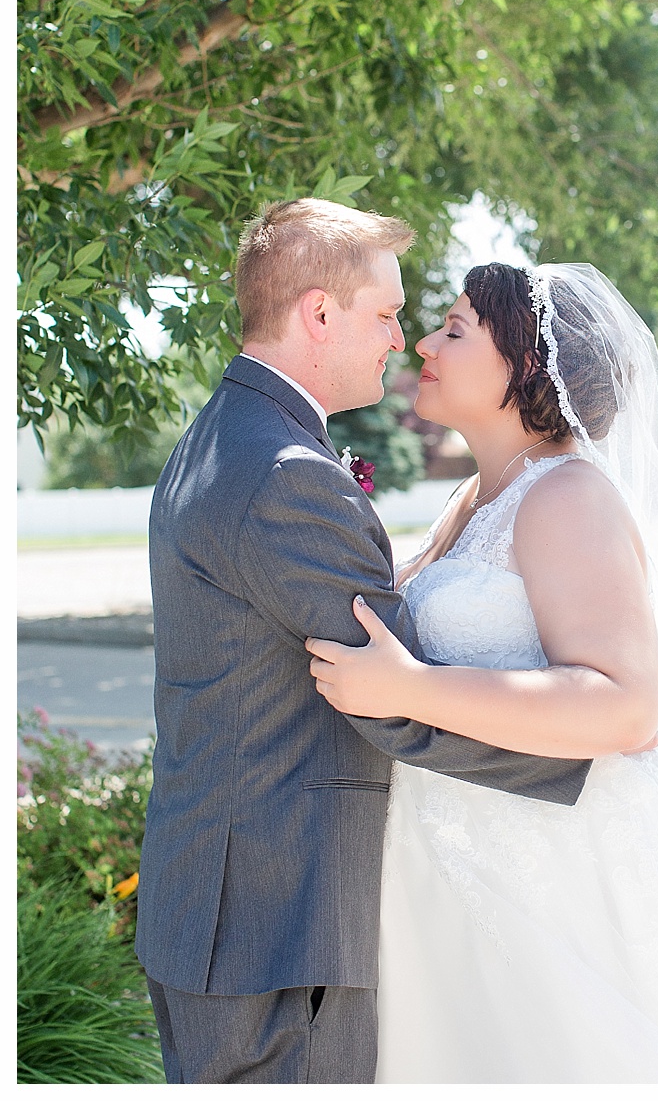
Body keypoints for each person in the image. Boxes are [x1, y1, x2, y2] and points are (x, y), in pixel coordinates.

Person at [305, 261, 658, 1082]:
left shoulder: (568, 497)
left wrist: (408, 689)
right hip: (458, 865)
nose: (424, 342)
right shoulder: (474, 497)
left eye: (455, 330)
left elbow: (626, 706)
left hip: (553, 878)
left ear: (525, 366)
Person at [134, 201, 592, 1084]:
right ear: (318, 313)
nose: (402, 338)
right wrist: (597, 756)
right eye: (385, 314)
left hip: (224, 908)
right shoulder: (285, 476)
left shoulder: (222, 440)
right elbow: (387, 695)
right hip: (276, 927)